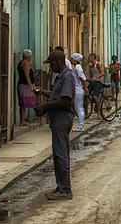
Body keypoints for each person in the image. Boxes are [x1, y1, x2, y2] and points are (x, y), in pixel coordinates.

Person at [34, 49, 75, 200]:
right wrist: (42, 92)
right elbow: (55, 95)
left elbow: (65, 100)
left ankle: (65, 190)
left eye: (51, 63)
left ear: (58, 62)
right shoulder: (61, 77)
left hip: (62, 118)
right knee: (59, 154)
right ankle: (61, 187)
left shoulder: (67, 77)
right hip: (58, 118)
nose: (50, 67)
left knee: (61, 154)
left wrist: (45, 106)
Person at [16, 49, 35, 125]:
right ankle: (22, 120)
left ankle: (22, 120)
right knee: (24, 104)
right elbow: (27, 75)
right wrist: (31, 86)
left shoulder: (21, 63)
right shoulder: (26, 64)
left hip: (21, 84)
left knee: (22, 103)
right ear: (29, 56)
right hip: (25, 86)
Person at [70, 52, 87, 131]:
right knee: (77, 108)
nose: (71, 60)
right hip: (77, 90)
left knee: (79, 108)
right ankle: (80, 125)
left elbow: (82, 78)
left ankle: (81, 126)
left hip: (78, 90)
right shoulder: (76, 67)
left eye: (72, 58)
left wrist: (85, 88)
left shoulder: (77, 68)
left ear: (75, 60)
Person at [87, 52, 105, 119]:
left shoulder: (98, 64)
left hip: (98, 82)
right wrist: (89, 79)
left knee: (95, 96)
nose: (89, 58)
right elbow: (91, 74)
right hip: (93, 81)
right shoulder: (90, 65)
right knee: (86, 93)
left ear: (93, 58)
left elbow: (103, 73)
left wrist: (97, 77)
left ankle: (99, 113)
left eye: (90, 57)